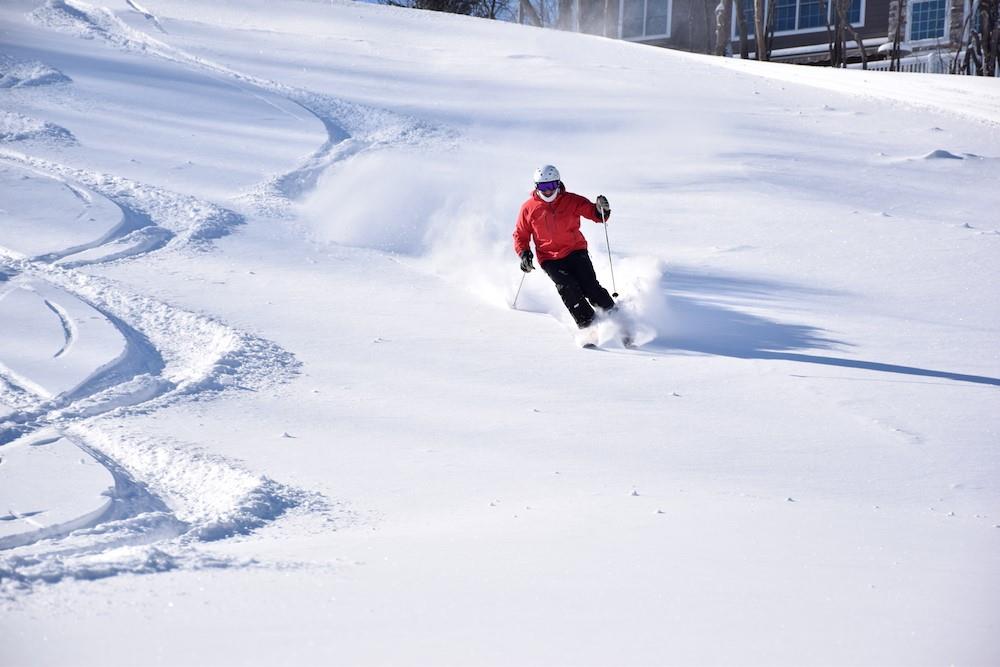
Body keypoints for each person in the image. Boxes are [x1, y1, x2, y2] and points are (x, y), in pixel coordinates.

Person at [513, 164, 614, 330]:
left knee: (589, 285)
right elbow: (521, 234)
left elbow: (594, 214)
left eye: (551, 186)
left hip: (575, 250)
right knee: (567, 287)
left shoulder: (571, 200)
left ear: (558, 184)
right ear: (536, 187)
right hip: (549, 258)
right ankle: (588, 324)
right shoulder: (528, 208)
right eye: (543, 187)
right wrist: (524, 253)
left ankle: (616, 317)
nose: (547, 191)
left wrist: (601, 210)